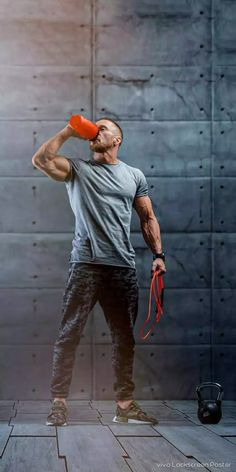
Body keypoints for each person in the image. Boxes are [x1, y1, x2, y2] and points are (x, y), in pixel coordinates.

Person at [31, 117, 167, 426]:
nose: (97, 130)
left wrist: (159, 255)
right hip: (85, 265)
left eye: (104, 128)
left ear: (117, 140)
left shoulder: (134, 175)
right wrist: (69, 130)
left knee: (124, 338)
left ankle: (125, 405)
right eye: (97, 126)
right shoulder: (78, 170)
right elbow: (41, 160)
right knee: (69, 334)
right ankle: (59, 403)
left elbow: (147, 217)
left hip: (122, 267)